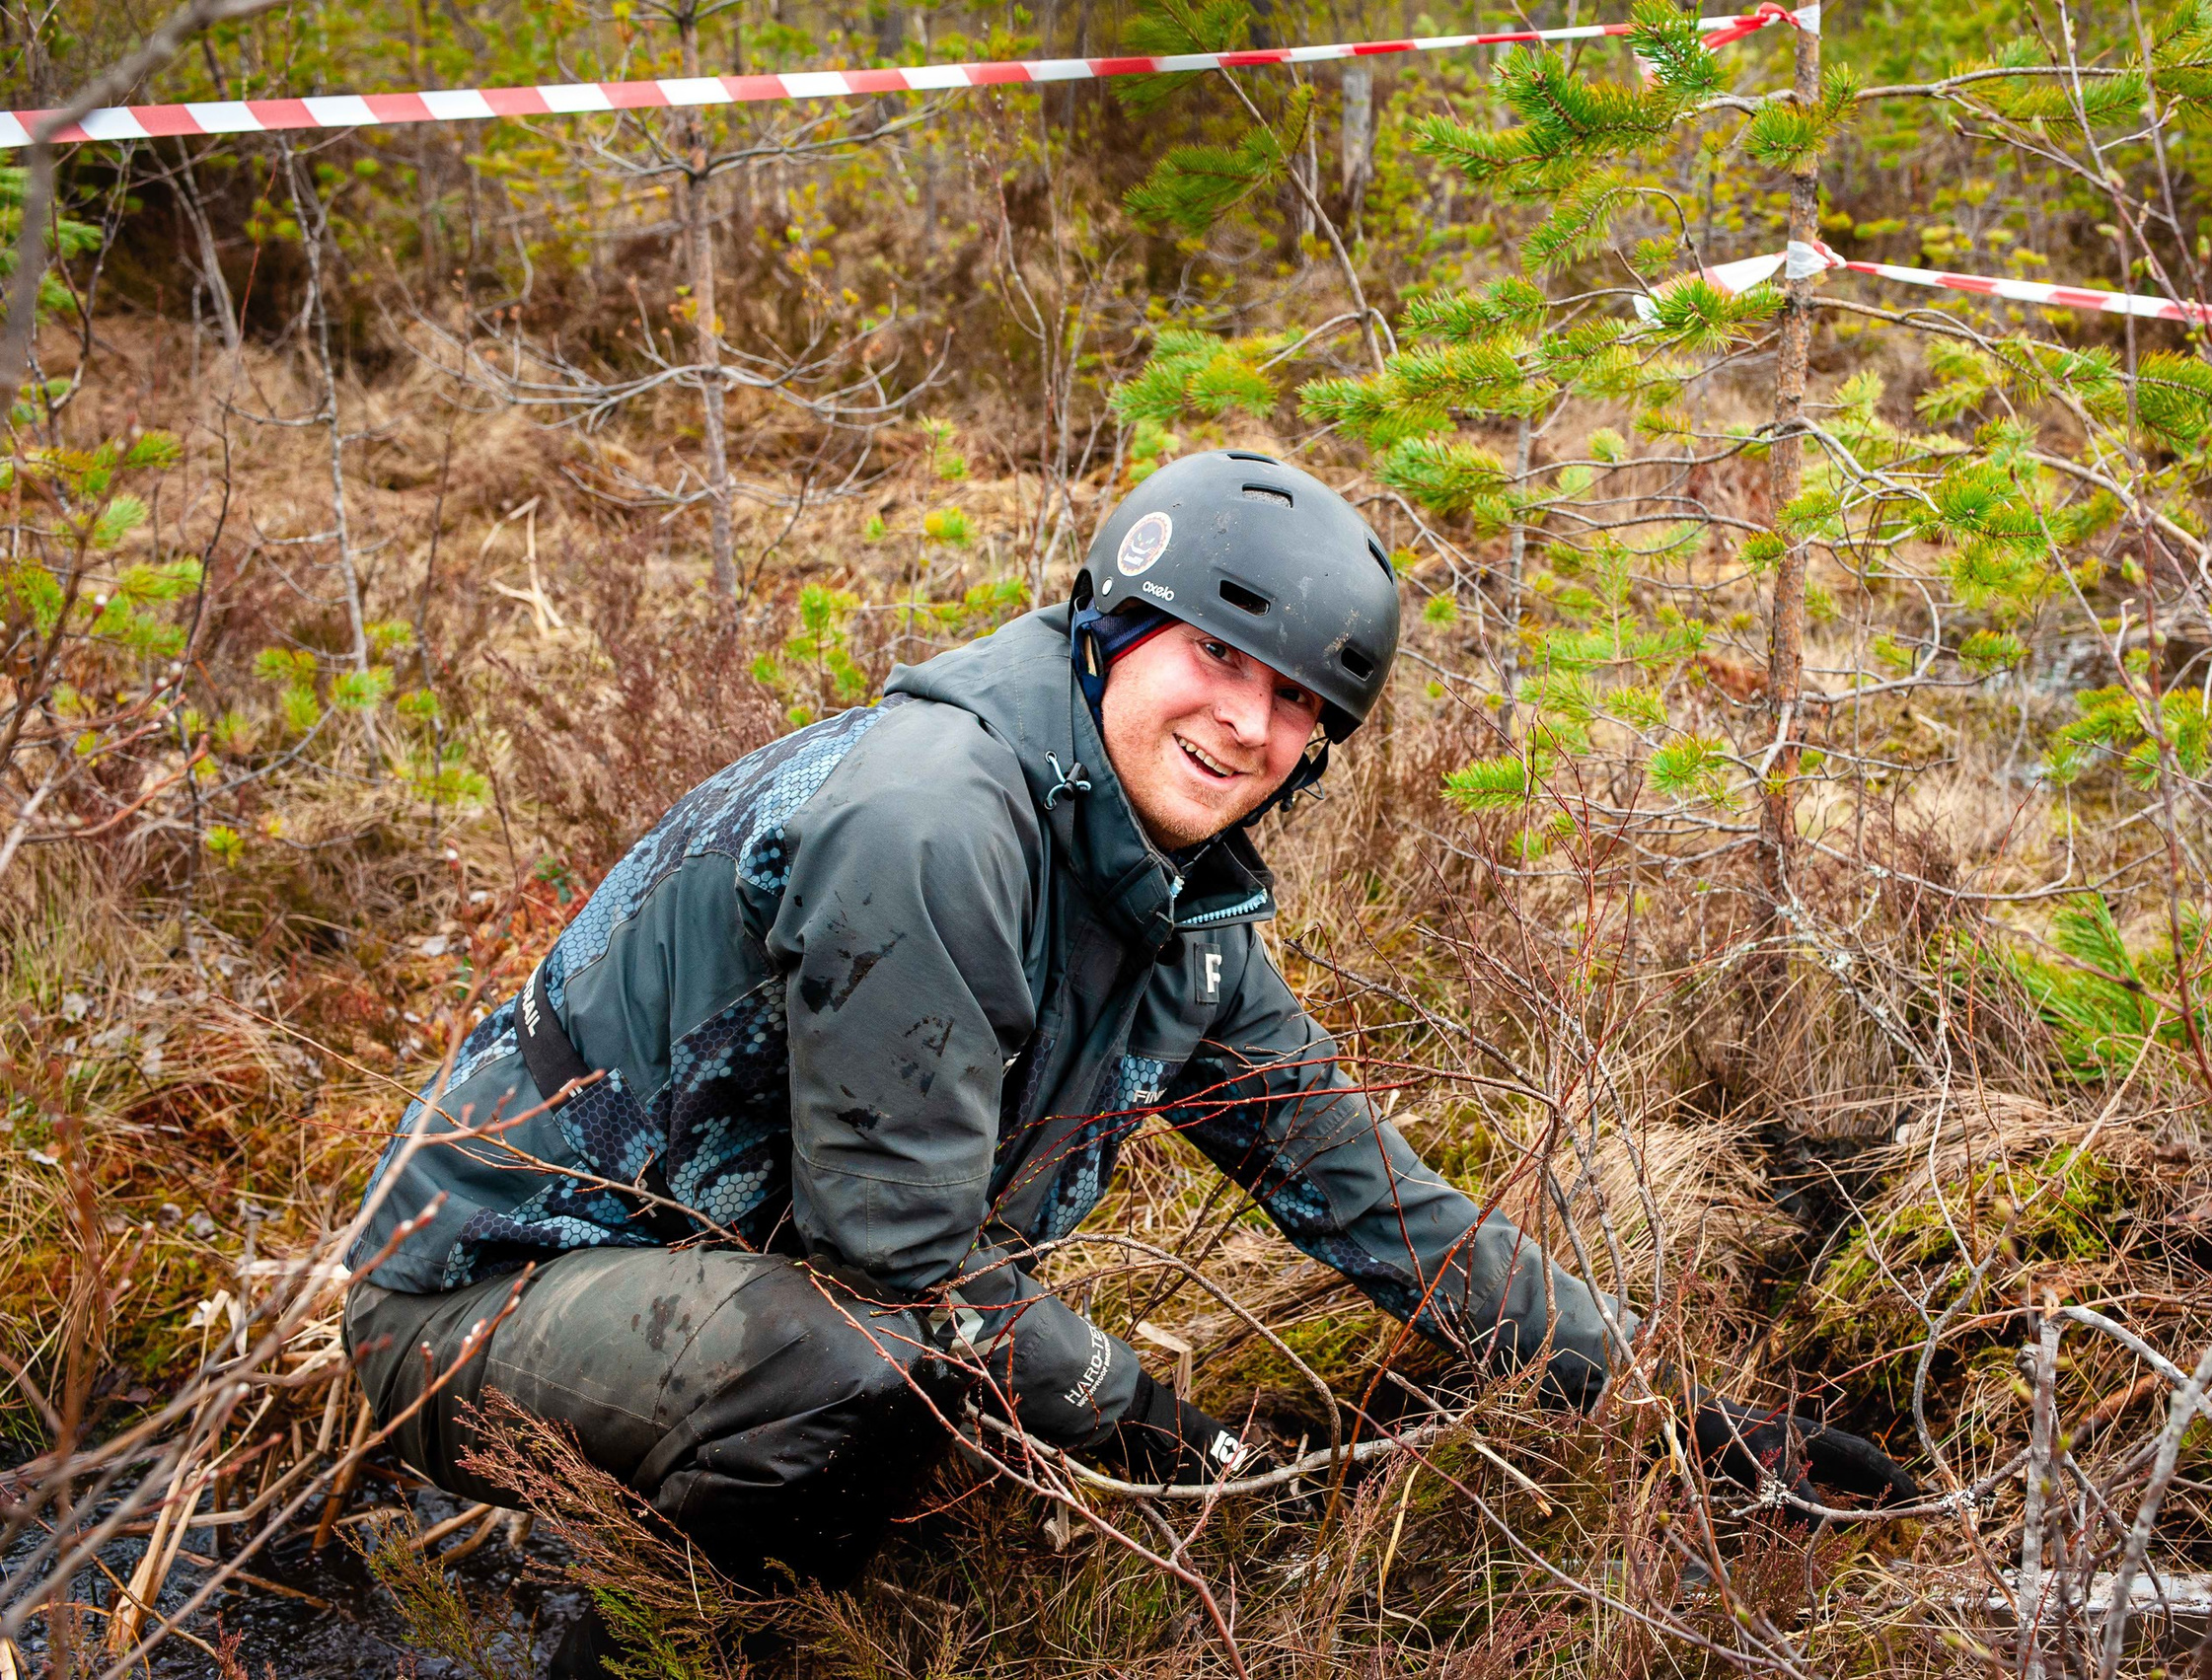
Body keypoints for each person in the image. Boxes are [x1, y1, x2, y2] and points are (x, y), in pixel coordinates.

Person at [342, 452, 1910, 1670]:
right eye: (1220, 657)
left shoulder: (1184, 907)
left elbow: (1372, 1198)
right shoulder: (937, 817)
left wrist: (1662, 1411)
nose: (1248, 724)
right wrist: (1157, 1423)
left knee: (921, 1396)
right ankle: (664, 1646)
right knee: (873, 1373)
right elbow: (899, 1263)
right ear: (1114, 629)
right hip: (476, 1299)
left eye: (1299, 703)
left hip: (727, 1277)